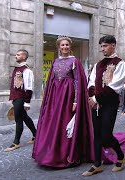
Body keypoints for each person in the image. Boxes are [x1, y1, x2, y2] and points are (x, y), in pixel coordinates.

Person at [32, 36, 94, 167]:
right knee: (54, 123)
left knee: (66, 122)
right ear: (59, 47)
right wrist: (48, 100)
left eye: (67, 45)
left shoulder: (74, 61)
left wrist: (76, 101)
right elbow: (50, 82)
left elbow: (78, 81)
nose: (65, 47)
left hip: (68, 97)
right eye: (62, 45)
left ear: (70, 46)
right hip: (55, 97)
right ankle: (52, 153)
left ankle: (68, 153)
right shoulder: (55, 62)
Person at [83, 35, 125, 176]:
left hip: (109, 104)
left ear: (113, 45)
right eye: (101, 46)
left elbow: (115, 86)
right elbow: (91, 83)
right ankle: (97, 164)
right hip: (96, 104)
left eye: (105, 46)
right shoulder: (98, 64)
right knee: (96, 134)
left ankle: (121, 156)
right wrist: (92, 98)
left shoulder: (120, 64)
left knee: (106, 135)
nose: (102, 49)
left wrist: (96, 98)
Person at [5, 50, 37, 152]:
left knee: (18, 120)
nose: (15, 56)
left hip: (21, 98)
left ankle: (16, 142)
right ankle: (36, 135)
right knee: (25, 118)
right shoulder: (18, 69)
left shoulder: (27, 70)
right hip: (16, 98)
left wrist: (27, 102)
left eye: (18, 55)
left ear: (23, 57)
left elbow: (29, 88)